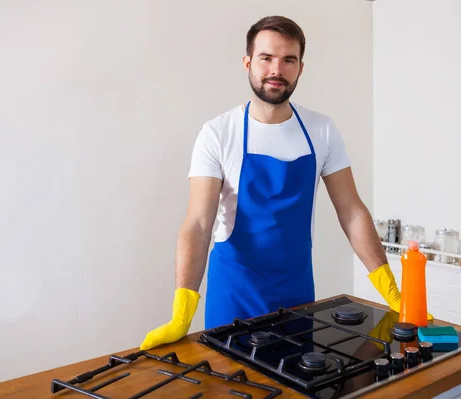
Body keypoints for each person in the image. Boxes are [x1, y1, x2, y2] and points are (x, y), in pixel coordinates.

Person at [139, 15, 430, 351]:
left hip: (298, 298)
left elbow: (352, 212)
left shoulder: (321, 131)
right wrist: (182, 312)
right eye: (266, 58)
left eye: (288, 60)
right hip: (233, 299)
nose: (277, 69)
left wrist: (392, 291)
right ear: (248, 63)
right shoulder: (218, 133)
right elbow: (199, 223)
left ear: (300, 68)